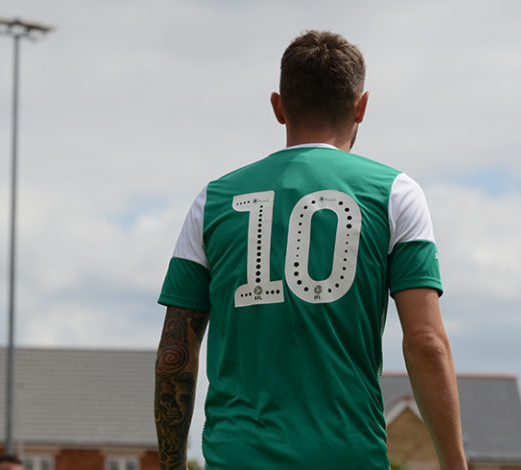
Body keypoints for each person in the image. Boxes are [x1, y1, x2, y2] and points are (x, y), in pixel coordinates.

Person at [155, 30, 467, 470]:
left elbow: (175, 354)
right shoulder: (396, 193)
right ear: (361, 106)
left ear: (278, 106)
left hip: (237, 457)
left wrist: (170, 466)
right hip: (347, 455)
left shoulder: (213, 199)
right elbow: (426, 343)